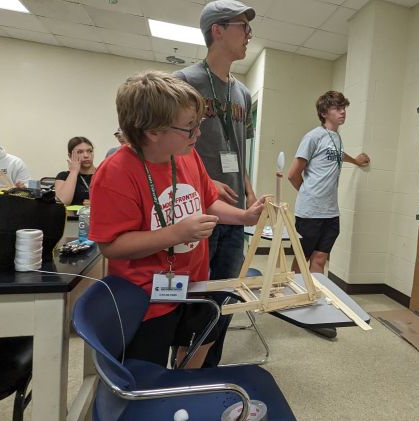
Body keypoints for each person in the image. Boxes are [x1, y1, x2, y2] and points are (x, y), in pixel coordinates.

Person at [88, 70, 269, 368]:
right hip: (147, 297)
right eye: (189, 127)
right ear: (153, 131)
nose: (197, 134)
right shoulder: (115, 173)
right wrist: (175, 233)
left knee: (196, 351)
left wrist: (245, 216)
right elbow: (111, 246)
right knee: (148, 371)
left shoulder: (186, 154)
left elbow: (207, 200)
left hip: (195, 285)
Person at [173, 0, 257, 367]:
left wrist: (249, 191)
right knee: (194, 302)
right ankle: (180, 374)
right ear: (217, 30)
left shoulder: (243, 95)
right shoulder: (183, 83)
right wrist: (206, 181)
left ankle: (208, 374)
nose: (249, 35)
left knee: (224, 300)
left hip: (235, 215)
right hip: (197, 212)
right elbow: (170, 148)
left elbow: (238, 151)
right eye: (243, 26)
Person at [288, 90, 370, 275]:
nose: (343, 112)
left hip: (331, 212)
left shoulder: (337, 138)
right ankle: (294, 295)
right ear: (324, 113)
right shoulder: (313, 136)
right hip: (310, 212)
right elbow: (293, 174)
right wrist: (308, 193)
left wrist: (355, 161)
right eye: (337, 108)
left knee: (320, 258)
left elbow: (337, 155)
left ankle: (314, 298)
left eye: (344, 108)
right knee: (303, 257)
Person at [54, 137, 96, 206]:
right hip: (73, 216)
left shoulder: (103, 174)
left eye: (89, 151)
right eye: (80, 152)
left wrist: (98, 204)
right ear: (70, 156)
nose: (86, 155)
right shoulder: (63, 176)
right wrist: (74, 172)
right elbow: (64, 201)